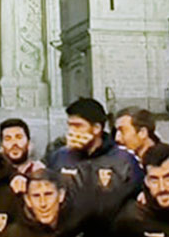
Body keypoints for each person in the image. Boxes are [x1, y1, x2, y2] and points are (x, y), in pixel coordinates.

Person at [49, 97, 144, 230]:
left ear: (96, 128)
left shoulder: (124, 160)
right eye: (70, 125)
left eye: (78, 126)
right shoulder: (59, 157)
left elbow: (140, 199)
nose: (72, 132)